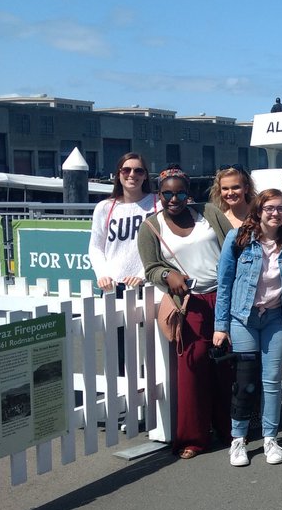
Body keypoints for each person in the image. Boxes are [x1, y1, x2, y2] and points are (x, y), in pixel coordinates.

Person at [138, 168, 232, 459]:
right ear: (159, 194)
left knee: (226, 366)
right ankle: (193, 438)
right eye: (167, 193)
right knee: (192, 368)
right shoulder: (151, 227)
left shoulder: (209, 213)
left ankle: (229, 429)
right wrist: (168, 275)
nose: (174, 199)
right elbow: (151, 268)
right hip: (190, 302)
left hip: (223, 296)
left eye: (180, 193)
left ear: (188, 193)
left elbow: (233, 245)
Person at [213, 189, 282, 467]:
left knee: (272, 380)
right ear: (259, 210)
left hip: (277, 318)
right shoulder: (238, 238)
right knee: (246, 379)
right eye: (269, 208)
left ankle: (270, 438)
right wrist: (221, 326)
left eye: (280, 208)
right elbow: (224, 283)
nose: (275, 213)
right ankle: (238, 439)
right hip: (244, 317)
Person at [89, 152, 157, 294]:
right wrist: (103, 275)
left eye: (138, 171)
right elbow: (96, 247)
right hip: (113, 286)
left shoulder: (158, 204)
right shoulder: (104, 207)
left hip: (148, 285)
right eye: (126, 170)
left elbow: (165, 246)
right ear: (118, 174)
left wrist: (143, 275)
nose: (132, 174)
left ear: (145, 175)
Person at [209, 164, 256, 229]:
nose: (230, 193)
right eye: (225, 189)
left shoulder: (259, 215)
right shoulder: (219, 221)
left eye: (236, 187)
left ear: (246, 189)